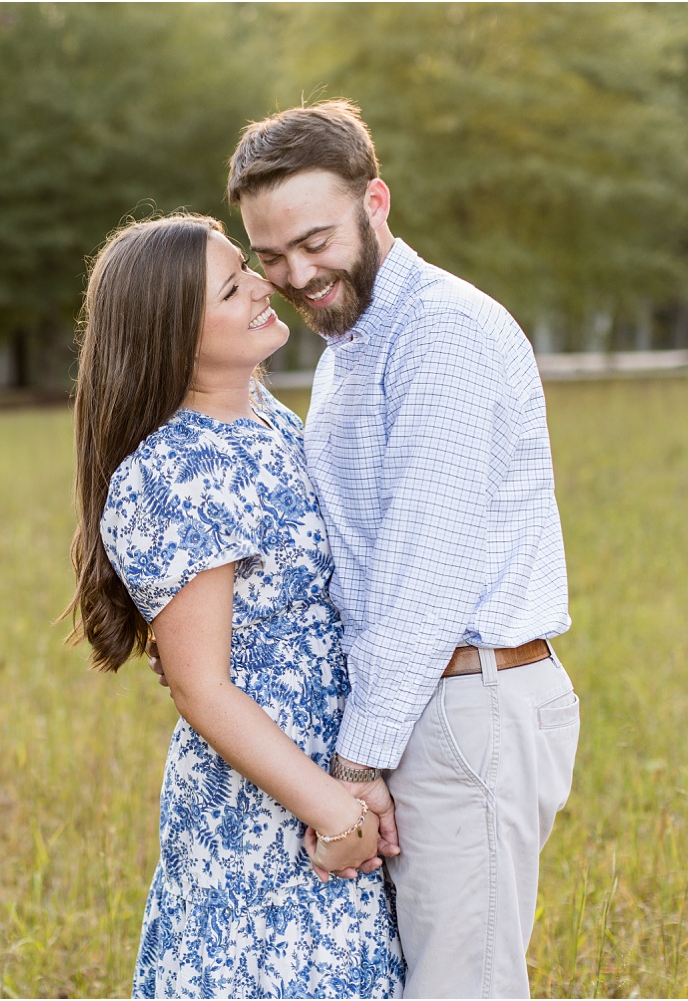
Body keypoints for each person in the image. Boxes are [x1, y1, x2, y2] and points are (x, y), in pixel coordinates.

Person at [153, 99, 580, 997]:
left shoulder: (442, 335)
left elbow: (423, 579)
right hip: (418, 705)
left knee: (461, 987)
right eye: (269, 256)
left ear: (375, 202)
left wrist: (355, 771)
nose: (298, 274)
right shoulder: (353, 335)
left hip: (471, 702)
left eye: (316, 240)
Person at [65, 213, 406, 998]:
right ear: (175, 333)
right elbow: (201, 686)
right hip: (265, 807)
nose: (264, 284)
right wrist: (330, 809)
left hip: (324, 771)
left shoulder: (263, 419)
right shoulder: (177, 466)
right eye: (232, 286)